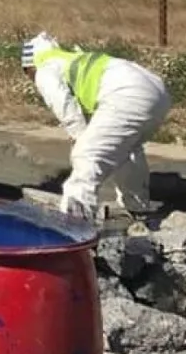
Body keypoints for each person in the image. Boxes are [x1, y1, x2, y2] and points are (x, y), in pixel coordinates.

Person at [20, 33, 170, 220]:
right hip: (156, 91)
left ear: (30, 66)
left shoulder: (45, 69)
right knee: (125, 150)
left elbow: (67, 109)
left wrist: (80, 138)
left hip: (128, 93)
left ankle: (75, 227)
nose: (30, 80)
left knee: (86, 156)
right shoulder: (70, 60)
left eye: (28, 74)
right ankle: (136, 208)